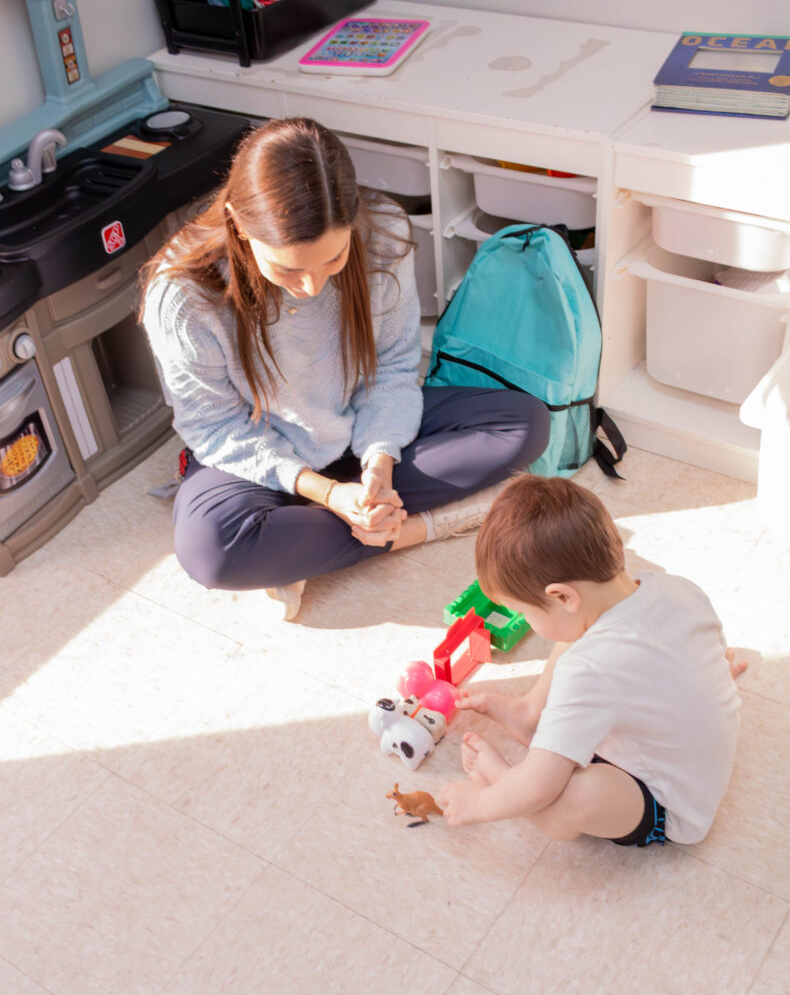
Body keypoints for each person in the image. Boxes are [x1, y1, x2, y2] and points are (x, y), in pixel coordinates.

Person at [141, 118, 550, 619]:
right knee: (212, 553)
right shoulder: (184, 294)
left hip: (355, 432)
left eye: (333, 260)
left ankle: (314, 541)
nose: (311, 286)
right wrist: (328, 493)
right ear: (240, 227)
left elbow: (393, 369)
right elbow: (213, 426)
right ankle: (414, 528)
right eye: (289, 268)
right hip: (259, 453)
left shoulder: (383, 234)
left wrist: (379, 463)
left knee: (525, 423)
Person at [438, 474, 742, 847]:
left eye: (524, 611)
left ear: (563, 596)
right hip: (688, 762)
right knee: (583, 630)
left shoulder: (589, 669)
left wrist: (480, 802)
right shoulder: (676, 587)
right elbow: (706, 644)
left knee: (578, 796)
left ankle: (503, 781)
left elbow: (538, 786)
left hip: (672, 803)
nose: (529, 622)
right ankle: (532, 713)